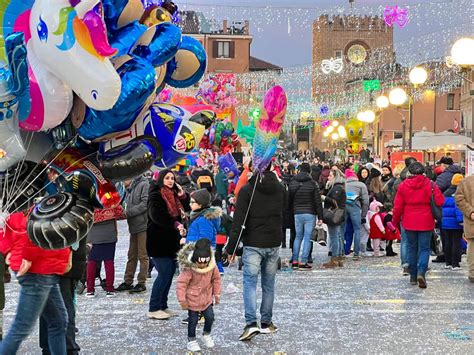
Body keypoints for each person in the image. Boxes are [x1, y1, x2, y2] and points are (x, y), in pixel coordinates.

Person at [227, 163, 286, 341]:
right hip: (273, 240)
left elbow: (239, 220)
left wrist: (231, 248)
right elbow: (284, 208)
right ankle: (267, 322)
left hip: (253, 242)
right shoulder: (281, 188)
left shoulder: (248, 190)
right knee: (268, 284)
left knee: (250, 283)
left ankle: (251, 324)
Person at [0, 212, 70, 354]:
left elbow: (7, 226)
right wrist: (28, 255)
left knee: (59, 321)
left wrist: (8, 250)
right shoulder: (42, 196)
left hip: (44, 266)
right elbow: (37, 226)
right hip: (39, 267)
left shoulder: (26, 199)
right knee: (21, 327)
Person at [393, 162, 444, 289]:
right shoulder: (431, 184)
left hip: (409, 221)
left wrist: (395, 221)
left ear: (409, 172)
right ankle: (422, 272)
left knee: (411, 248)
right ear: (423, 172)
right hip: (426, 220)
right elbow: (440, 200)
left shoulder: (403, 185)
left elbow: (398, 206)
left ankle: (413, 276)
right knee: (424, 248)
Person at [147, 169, 189, 320]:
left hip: (172, 241)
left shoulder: (174, 195)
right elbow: (157, 216)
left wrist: (182, 195)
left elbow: (189, 207)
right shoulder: (155, 195)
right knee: (164, 273)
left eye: (172, 178)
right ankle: (153, 307)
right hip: (158, 240)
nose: (170, 181)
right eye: (167, 178)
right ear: (161, 180)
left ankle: (163, 305)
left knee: (170, 274)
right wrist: (175, 223)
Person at [39, 237, 87, 355]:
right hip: (51, 264)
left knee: (61, 314)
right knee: (51, 314)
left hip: (61, 265)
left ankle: (66, 350)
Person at [176, 239, 222, 352]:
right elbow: (181, 284)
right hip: (192, 300)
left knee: (210, 317)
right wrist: (182, 300)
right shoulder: (189, 269)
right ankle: (191, 340)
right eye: (199, 262)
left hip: (206, 299)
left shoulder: (212, 267)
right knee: (193, 321)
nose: (202, 265)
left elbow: (216, 279)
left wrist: (217, 294)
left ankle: (206, 334)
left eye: (204, 263)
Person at [116, 175, 150, 294]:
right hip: (134, 226)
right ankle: (128, 281)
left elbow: (144, 204)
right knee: (132, 255)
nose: (123, 182)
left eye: (124, 179)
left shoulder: (144, 184)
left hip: (143, 225)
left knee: (142, 255)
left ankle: (141, 282)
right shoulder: (130, 188)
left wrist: (128, 213)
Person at [288, 163, 323, 270]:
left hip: (297, 213)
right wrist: (320, 217)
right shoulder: (313, 184)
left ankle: (294, 261)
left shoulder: (293, 182)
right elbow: (317, 201)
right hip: (310, 213)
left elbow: (289, 199)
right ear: (309, 172)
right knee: (308, 238)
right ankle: (303, 262)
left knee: (298, 237)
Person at [86, 214, 119, 298]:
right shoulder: (111, 201)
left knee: (91, 262)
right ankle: (110, 289)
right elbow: (120, 213)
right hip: (109, 234)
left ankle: (90, 290)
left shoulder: (90, 201)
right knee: (109, 262)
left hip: (92, 235)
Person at [321, 169, 346, 268]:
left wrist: (324, 198)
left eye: (330, 176)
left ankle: (335, 258)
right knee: (337, 236)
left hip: (334, 214)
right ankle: (338, 258)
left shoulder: (337, 188)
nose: (328, 177)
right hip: (338, 214)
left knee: (334, 236)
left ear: (335, 177)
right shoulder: (338, 186)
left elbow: (335, 201)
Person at [441, 174, 464, 270]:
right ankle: (455, 263)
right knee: (456, 242)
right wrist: (460, 220)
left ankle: (448, 262)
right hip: (455, 222)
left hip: (445, 222)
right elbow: (458, 209)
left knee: (447, 242)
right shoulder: (459, 193)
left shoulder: (445, 193)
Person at [345, 169, 369, 260]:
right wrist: (363, 215)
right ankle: (356, 254)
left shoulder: (343, 184)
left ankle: (341, 252)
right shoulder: (361, 185)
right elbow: (366, 202)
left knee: (342, 230)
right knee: (357, 230)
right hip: (355, 207)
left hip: (344, 207)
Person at [454, 175, 474, 283]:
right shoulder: (466, 182)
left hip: (471, 220)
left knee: (472, 248)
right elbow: (459, 199)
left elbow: (459, 199)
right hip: (472, 221)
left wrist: (469, 212)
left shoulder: (465, 182)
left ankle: (472, 272)